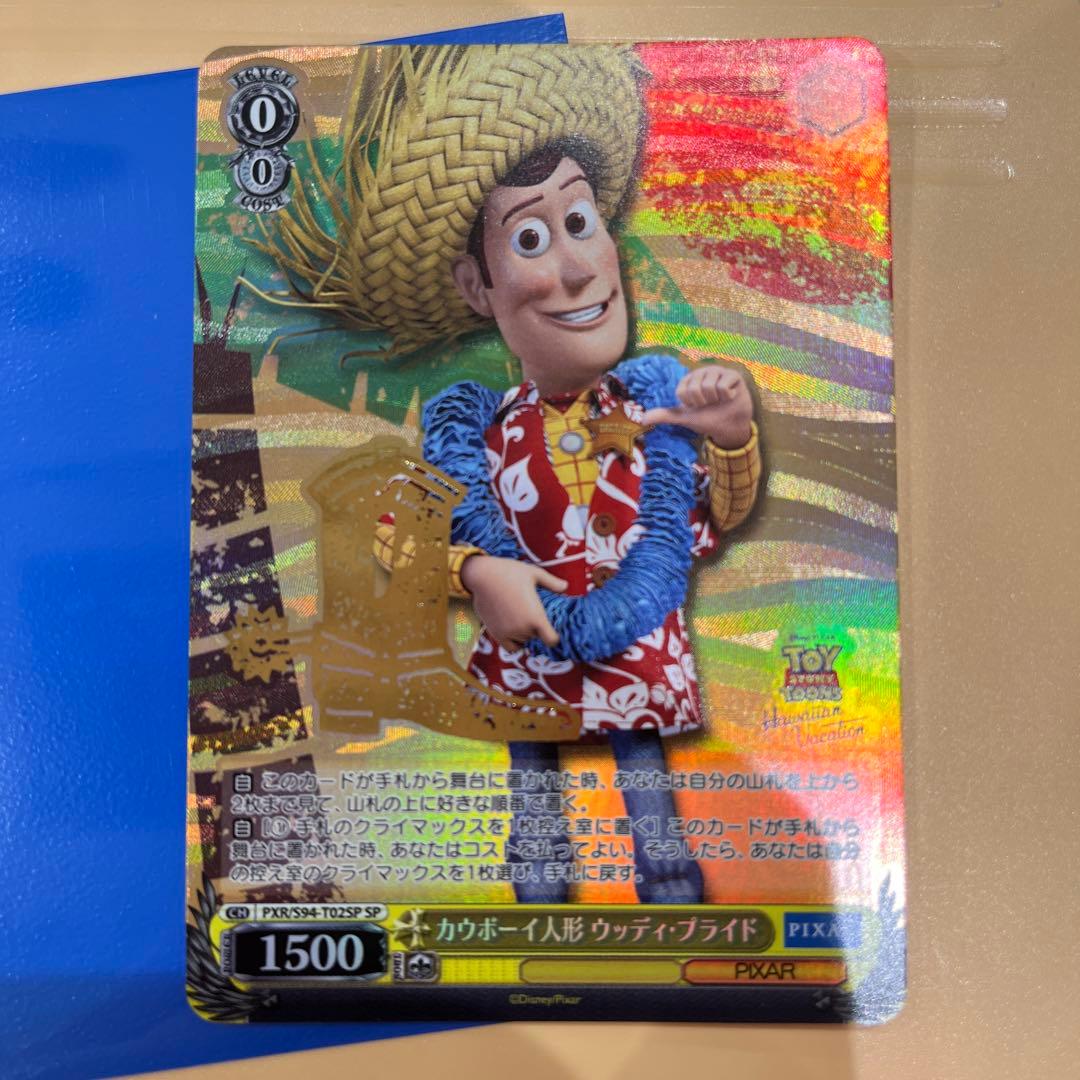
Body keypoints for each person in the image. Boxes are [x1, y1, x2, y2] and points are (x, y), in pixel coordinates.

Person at [261, 45, 762, 902]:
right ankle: (537, 882)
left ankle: (668, 881)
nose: (576, 267)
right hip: (528, 662)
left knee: (643, 771)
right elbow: (402, 542)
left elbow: (713, 517)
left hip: (635, 656)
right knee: (532, 782)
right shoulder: (481, 434)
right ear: (476, 284)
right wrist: (474, 571)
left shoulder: (656, 412)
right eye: (531, 238)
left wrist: (733, 441)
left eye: (581, 221)